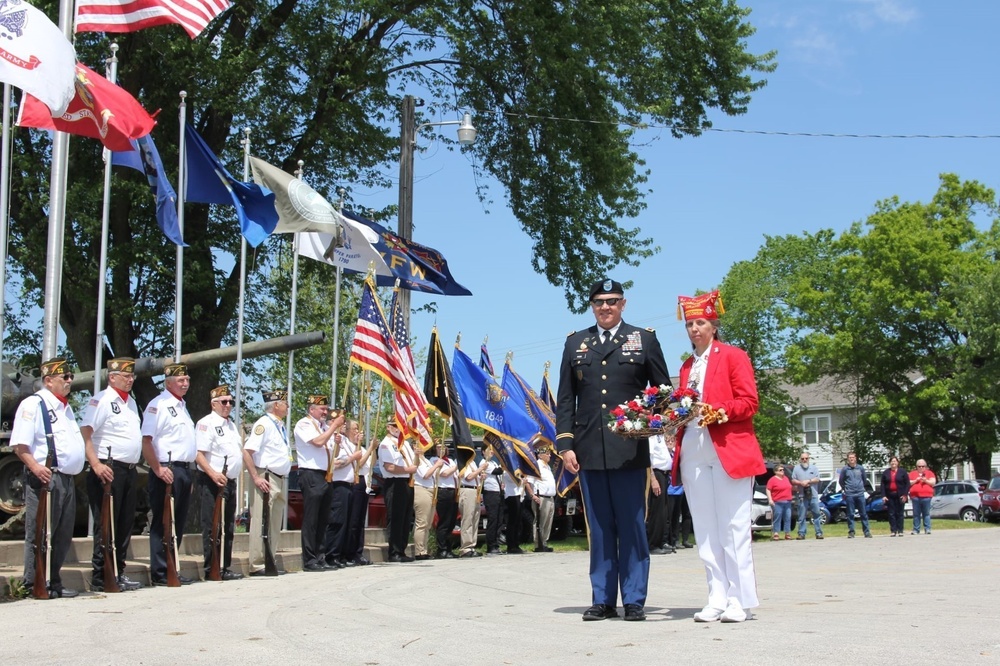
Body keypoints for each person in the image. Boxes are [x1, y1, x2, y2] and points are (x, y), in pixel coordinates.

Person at [555, 278, 671, 622]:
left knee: (632, 524)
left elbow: (662, 391)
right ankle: (602, 599)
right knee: (600, 527)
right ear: (592, 306)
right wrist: (565, 444)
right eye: (599, 302)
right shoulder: (576, 342)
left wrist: (654, 422)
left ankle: (634, 599)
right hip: (589, 448)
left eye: (612, 301)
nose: (605, 307)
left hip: (629, 449)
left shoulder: (643, 339)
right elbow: (565, 399)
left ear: (624, 304)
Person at [673, 290, 766, 624]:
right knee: (705, 527)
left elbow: (749, 401)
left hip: (729, 447)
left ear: (713, 324)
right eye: (689, 324)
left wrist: (720, 411)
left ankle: (739, 599)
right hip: (694, 448)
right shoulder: (686, 366)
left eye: (700, 322)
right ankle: (716, 596)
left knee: (733, 526)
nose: (694, 329)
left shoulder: (733, 356)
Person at [13, 358, 86, 598]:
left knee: (62, 534)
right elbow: (20, 445)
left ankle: (53, 582)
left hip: (66, 478)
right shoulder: (34, 404)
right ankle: (34, 582)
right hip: (46, 478)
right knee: (40, 532)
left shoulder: (65, 407)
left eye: (70, 377)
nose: (69, 381)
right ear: (48, 380)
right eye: (64, 377)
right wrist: (35, 467)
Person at [82, 357, 143, 592]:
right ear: (112, 377)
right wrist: (96, 464)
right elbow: (87, 433)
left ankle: (119, 571)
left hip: (128, 470)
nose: (130, 380)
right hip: (109, 469)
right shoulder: (102, 400)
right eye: (125, 376)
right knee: (106, 523)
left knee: (124, 523)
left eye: (132, 376)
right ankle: (101, 575)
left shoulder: (131, 403)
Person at [142, 362, 197, 586]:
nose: (185, 384)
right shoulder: (159, 405)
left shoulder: (182, 407)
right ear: (168, 383)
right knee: (163, 521)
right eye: (180, 380)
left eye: (187, 380)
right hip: (167, 468)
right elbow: (147, 440)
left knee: (178, 522)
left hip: (183, 469)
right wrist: (157, 468)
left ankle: (172, 566)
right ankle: (161, 572)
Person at [194, 384, 244, 580]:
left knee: (228, 526)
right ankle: (211, 567)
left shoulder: (231, 426)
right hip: (212, 480)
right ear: (213, 403)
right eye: (224, 402)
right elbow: (199, 454)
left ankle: (225, 566)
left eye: (231, 402)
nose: (228, 405)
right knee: (212, 525)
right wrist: (213, 474)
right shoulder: (206, 424)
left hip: (229, 481)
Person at [242, 389, 291, 576]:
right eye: (285, 403)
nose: (287, 406)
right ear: (276, 405)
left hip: (279, 477)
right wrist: (255, 476)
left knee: (274, 521)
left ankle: (270, 559)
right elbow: (248, 451)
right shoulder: (263, 424)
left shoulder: (280, 426)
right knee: (261, 520)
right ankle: (257, 564)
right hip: (266, 476)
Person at [293, 395, 342, 571]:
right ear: (311, 409)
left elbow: (332, 453)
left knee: (323, 518)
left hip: (326, 474)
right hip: (311, 473)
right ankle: (309, 559)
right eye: (322, 409)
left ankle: (320, 556)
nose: (325, 412)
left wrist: (335, 440)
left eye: (326, 409)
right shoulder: (304, 424)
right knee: (312, 518)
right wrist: (334, 427)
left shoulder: (324, 427)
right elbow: (318, 442)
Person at [324, 418, 363, 568]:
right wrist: (353, 457)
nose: (343, 426)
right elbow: (336, 464)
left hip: (348, 485)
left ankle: (340, 555)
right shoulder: (333, 441)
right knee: (336, 522)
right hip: (337, 485)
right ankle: (331, 555)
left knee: (346, 523)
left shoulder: (345, 442)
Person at [378, 420, 417, 562]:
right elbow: (389, 467)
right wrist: (407, 470)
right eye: (394, 425)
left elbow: (413, 463)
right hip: (394, 482)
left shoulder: (404, 443)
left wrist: (417, 455)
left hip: (407, 482)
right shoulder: (385, 444)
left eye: (399, 425)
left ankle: (401, 550)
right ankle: (394, 552)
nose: (397, 428)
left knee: (406, 518)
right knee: (395, 518)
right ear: (388, 427)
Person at [344, 421, 376, 566]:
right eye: (355, 428)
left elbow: (371, 463)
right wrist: (369, 448)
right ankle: (350, 552)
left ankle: (358, 551)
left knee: (360, 520)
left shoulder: (361, 448)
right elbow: (359, 464)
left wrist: (373, 449)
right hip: (355, 482)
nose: (358, 431)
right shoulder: (348, 446)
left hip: (364, 482)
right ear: (348, 430)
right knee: (353, 520)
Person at [412, 446, 444, 560]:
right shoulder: (417, 459)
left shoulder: (425, 459)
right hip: (422, 489)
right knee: (422, 522)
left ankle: (424, 549)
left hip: (431, 490)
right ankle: (419, 551)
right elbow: (425, 475)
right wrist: (436, 465)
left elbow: (434, 474)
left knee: (428, 523)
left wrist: (438, 467)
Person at [430, 443, 459, 559]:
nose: (442, 449)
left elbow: (456, 475)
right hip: (443, 491)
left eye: (444, 447)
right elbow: (445, 474)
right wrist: (458, 466)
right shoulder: (434, 460)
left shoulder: (450, 461)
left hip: (453, 491)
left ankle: (448, 548)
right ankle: (441, 549)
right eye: (438, 447)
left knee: (451, 521)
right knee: (444, 521)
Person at [527, 444, 556, 553]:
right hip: (541, 497)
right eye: (547, 454)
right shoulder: (536, 466)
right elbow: (528, 482)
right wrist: (532, 495)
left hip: (550, 497)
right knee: (540, 521)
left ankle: (544, 542)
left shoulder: (547, 467)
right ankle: (538, 543)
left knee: (548, 521)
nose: (549, 455)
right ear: (540, 455)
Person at [647, 434, 672, 555]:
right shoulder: (651, 437)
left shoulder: (661, 436)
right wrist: (653, 479)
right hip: (657, 474)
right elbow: (649, 460)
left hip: (665, 473)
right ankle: (653, 543)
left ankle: (662, 540)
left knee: (664, 511)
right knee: (657, 511)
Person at [791, 452, 824, 540]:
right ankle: (801, 533)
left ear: (809, 459)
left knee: (816, 514)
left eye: (806, 458)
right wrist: (801, 483)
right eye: (802, 458)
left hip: (813, 495)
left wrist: (808, 481)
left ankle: (819, 533)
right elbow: (793, 480)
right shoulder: (796, 469)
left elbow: (817, 479)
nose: (804, 460)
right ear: (800, 459)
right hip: (802, 495)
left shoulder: (814, 468)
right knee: (801, 515)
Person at [839, 452, 872, 539]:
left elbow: (864, 480)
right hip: (850, 494)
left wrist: (861, 487)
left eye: (853, 457)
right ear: (848, 459)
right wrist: (846, 489)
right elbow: (841, 481)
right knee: (850, 514)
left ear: (855, 458)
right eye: (850, 457)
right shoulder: (845, 469)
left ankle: (867, 532)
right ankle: (851, 532)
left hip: (860, 494)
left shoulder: (860, 468)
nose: (851, 459)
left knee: (863, 513)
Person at [481, 447, 504, 555]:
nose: (492, 451)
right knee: (493, 519)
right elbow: (497, 471)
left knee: (499, 520)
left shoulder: (493, 462)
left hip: (498, 492)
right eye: (489, 450)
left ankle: (496, 543)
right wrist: (505, 464)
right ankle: (490, 546)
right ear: (483, 452)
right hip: (490, 493)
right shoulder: (484, 463)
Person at [881, 456, 911, 537]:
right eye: (892, 461)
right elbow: (883, 485)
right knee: (891, 514)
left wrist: (905, 494)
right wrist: (883, 496)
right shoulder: (886, 472)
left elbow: (907, 484)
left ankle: (900, 530)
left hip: (900, 495)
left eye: (895, 461)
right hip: (890, 495)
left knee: (900, 513)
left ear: (898, 463)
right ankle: (893, 530)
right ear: (890, 463)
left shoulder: (902, 472)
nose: (893, 463)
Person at [765, 465, 793, 540]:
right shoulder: (772, 480)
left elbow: (789, 487)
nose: (782, 471)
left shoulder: (786, 478)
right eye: (780, 470)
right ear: (776, 472)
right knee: (777, 517)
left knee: (788, 517)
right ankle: (776, 533)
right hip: (778, 502)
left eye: (783, 469)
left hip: (787, 501)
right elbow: (768, 489)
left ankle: (787, 533)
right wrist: (770, 499)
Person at [502, 470, 526, 555]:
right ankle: (511, 545)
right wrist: (521, 479)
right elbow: (510, 479)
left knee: (518, 521)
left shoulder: (517, 469)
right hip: (511, 494)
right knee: (512, 521)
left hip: (520, 494)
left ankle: (516, 544)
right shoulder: (506, 469)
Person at [909, 459, 936, 534]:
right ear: (916, 467)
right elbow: (908, 482)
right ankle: (916, 529)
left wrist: (926, 480)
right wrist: (916, 480)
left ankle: (927, 529)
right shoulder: (912, 474)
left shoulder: (930, 473)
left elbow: (933, 482)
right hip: (915, 497)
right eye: (919, 466)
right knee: (916, 514)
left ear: (925, 466)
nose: (921, 468)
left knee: (926, 513)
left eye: (923, 466)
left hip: (927, 497)